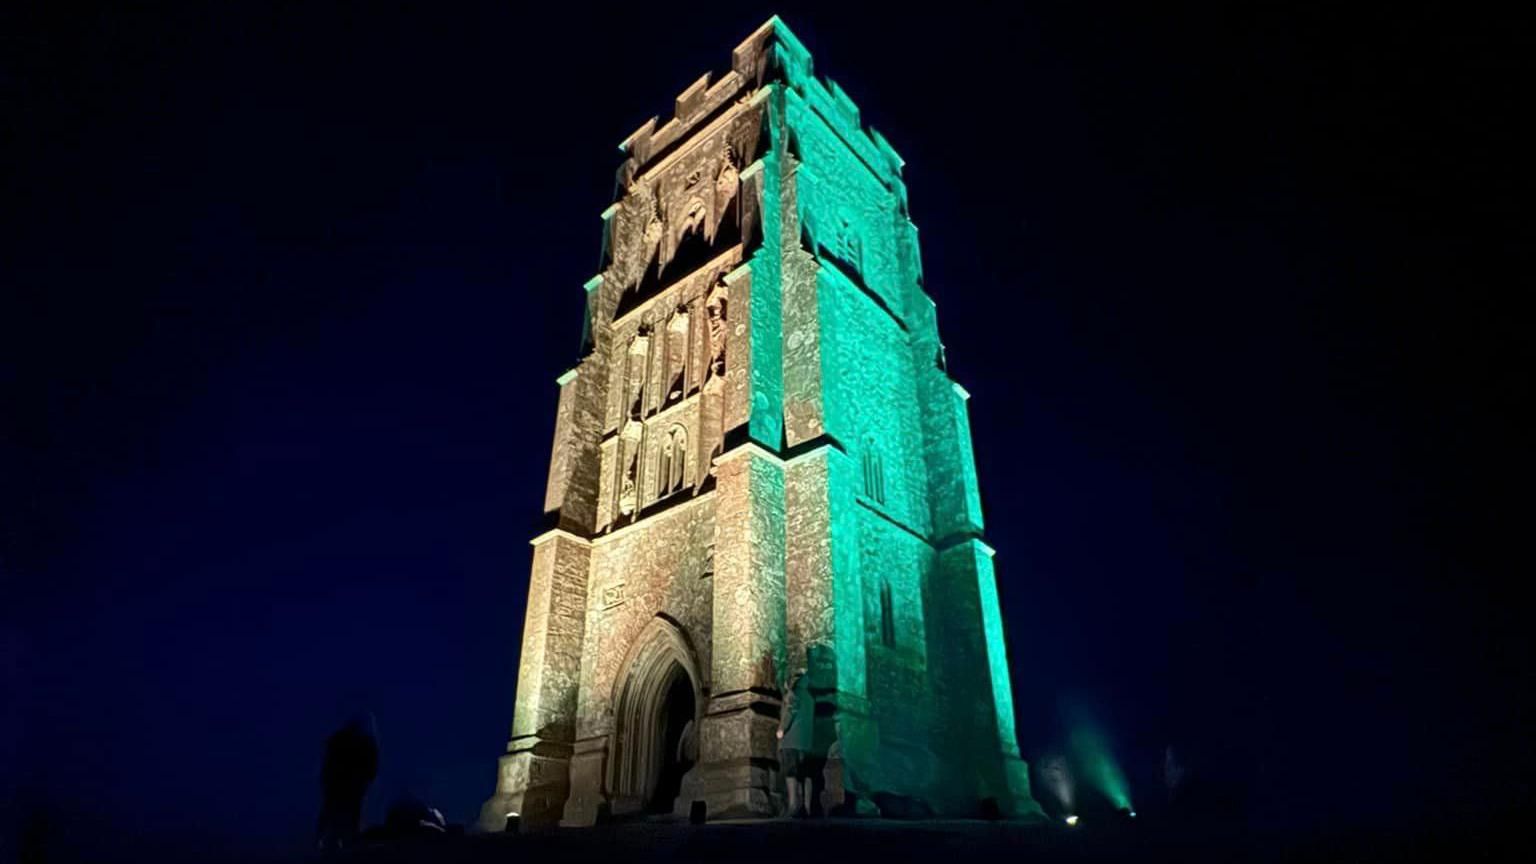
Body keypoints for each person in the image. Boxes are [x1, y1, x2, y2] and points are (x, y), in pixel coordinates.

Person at [315, 712, 379, 854]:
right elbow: (371, 766)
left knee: (337, 812)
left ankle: (332, 844)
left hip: (342, 785)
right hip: (348, 785)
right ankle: (339, 844)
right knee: (343, 813)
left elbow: (328, 764)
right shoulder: (363, 742)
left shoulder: (340, 741)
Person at [776, 671, 819, 817]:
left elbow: (789, 711)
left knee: (791, 772)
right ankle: (807, 807)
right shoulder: (810, 697)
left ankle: (793, 805)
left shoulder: (793, 694)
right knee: (806, 774)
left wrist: (782, 728)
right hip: (806, 743)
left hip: (791, 741)